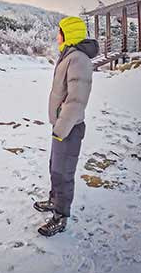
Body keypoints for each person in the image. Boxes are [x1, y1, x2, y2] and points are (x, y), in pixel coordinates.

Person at [35, 16, 98, 237]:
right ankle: (54, 200)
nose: (56, 36)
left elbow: (76, 101)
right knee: (55, 167)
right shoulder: (69, 56)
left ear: (68, 34)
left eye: (59, 32)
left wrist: (61, 127)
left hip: (69, 127)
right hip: (63, 125)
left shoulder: (78, 59)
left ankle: (61, 216)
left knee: (64, 173)